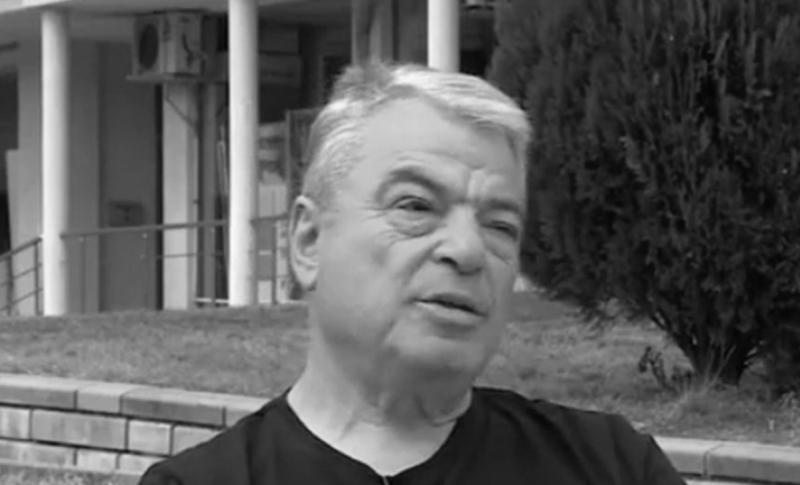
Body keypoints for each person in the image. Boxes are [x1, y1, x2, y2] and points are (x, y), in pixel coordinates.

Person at [138, 61, 686, 485]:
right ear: (308, 241)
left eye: (500, 226)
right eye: (416, 206)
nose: (467, 251)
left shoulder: (612, 467)